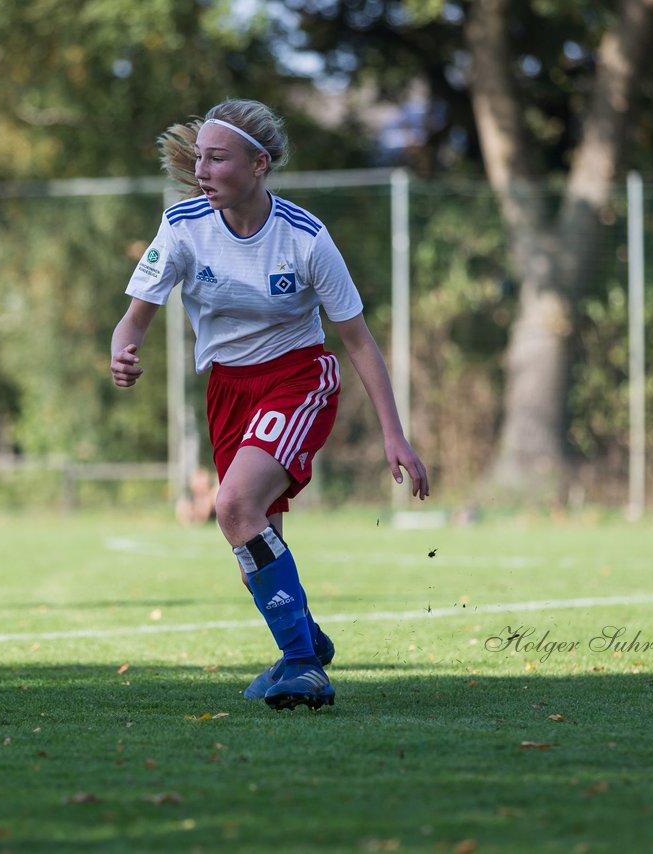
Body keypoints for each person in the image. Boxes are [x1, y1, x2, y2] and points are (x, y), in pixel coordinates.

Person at [110, 99, 430, 711]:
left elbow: (358, 340)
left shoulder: (305, 238)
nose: (201, 169)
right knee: (250, 548)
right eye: (198, 157)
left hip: (299, 378)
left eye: (217, 157)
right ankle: (302, 641)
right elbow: (132, 321)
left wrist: (395, 434)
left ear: (259, 165)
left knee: (231, 506)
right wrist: (123, 352)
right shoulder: (181, 227)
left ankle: (306, 666)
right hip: (228, 390)